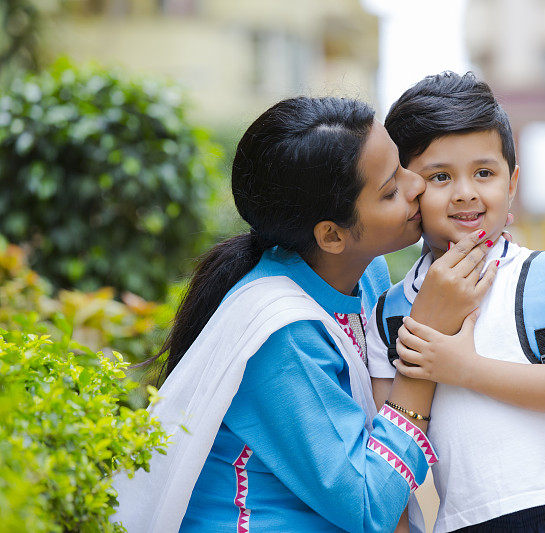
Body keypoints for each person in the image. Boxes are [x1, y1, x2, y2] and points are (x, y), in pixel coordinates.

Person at [112, 96, 499, 533]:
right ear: (332, 236)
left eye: (403, 167)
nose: (418, 187)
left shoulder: (364, 273)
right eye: (391, 190)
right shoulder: (283, 333)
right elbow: (370, 508)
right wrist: (423, 342)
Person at [366, 72, 545, 532]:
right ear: (409, 189)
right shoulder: (390, 313)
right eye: (440, 177)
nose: (466, 192)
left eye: (484, 173)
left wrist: (465, 369)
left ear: (512, 183)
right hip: (466, 522)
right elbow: (391, 451)